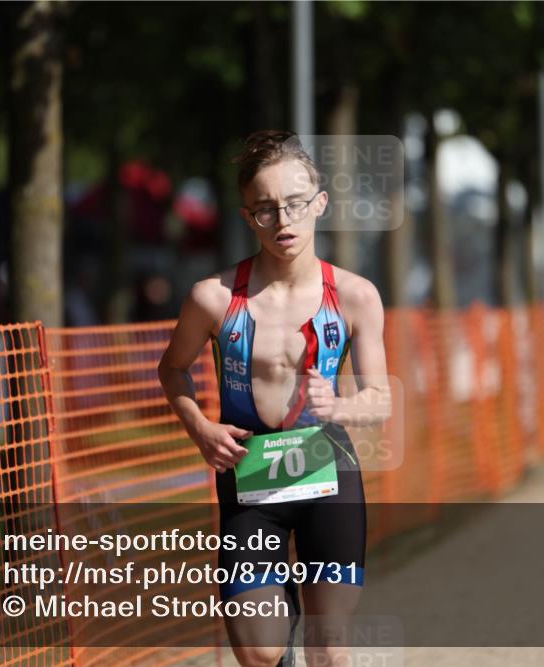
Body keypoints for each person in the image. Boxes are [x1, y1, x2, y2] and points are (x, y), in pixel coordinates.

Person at [159, 131, 390, 667]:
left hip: (328, 472)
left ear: (320, 204)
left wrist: (340, 407)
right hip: (249, 477)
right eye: (266, 210)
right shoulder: (213, 298)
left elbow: (381, 400)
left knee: (330, 649)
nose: (283, 221)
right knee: (261, 652)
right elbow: (172, 369)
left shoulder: (355, 296)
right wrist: (199, 426)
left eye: (295, 204)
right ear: (247, 216)